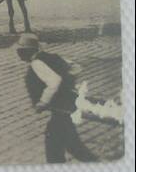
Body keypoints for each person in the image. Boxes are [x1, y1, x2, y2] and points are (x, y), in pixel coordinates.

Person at [16, 34, 97, 164]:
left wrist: (43, 102)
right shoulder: (51, 57)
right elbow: (75, 67)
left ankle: (92, 166)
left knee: (56, 145)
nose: (18, 53)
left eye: (20, 50)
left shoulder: (37, 63)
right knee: (70, 144)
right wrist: (68, 82)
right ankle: (92, 163)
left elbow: (54, 81)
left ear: (27, 51)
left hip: (61, 108)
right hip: (65, 107)